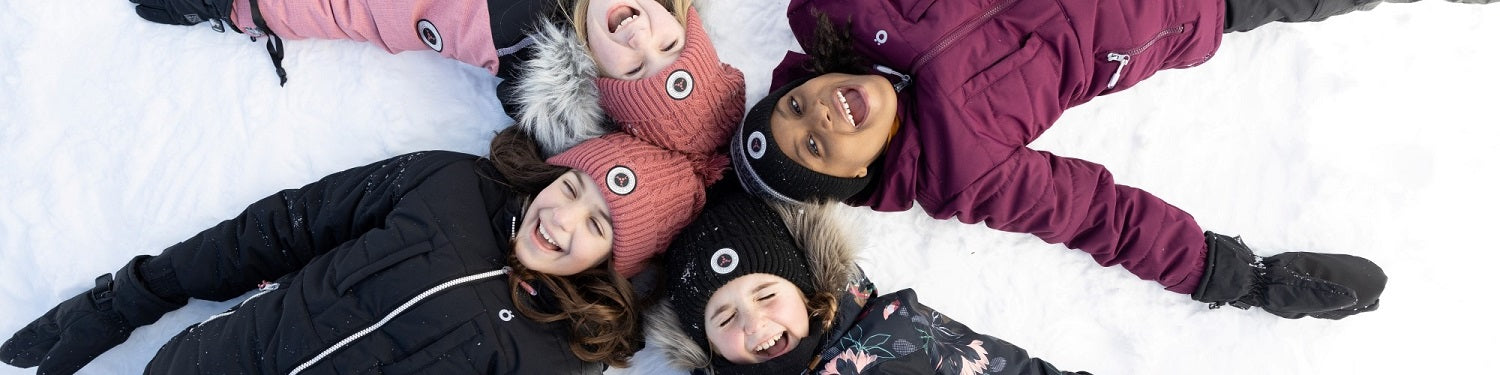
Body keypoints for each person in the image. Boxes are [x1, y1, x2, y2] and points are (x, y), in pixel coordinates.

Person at [729, 0, 1415, 319]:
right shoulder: (961, 166)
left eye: (794, 108)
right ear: (851, 178)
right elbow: (1096, 214)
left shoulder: (853, 11)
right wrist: (1241, 278)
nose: (816, 116)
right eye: (814, 148)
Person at [0, 127, 721, 375]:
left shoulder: (558, 360)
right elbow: (279, 228)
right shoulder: (450, 185)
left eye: (597, 226)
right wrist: (132, 294)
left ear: (613, 268)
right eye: (572, 186)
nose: (562, 219)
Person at [125, 0, 746, 156]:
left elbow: (369, 12)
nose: (642, 38)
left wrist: (246, 9)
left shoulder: (504, 29)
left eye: (637, 66)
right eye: (669, 43)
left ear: (602, 81)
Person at [647, 185, 1091, 374]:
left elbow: (992, 366)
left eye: (766, 294)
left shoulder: (893, 328)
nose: (752, 323)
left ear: (807, 290)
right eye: (724, 320)